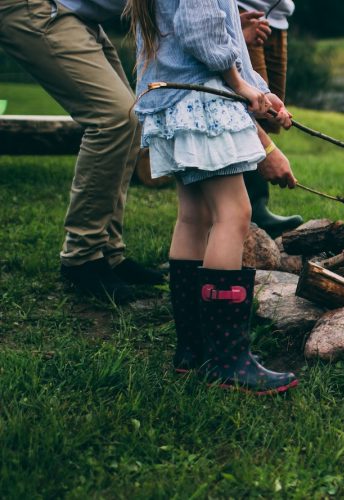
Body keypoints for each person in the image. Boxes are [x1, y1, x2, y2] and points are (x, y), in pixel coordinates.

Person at [128, 0, 299, 394]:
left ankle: (194, 351)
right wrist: (241, 88)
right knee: (233, 214)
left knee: (195, 217)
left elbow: (227, 38)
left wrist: (262, 93)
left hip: (177, 103)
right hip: (202, 102)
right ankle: (227, 360)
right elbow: (202, 31)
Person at [0, 0, 166, 304]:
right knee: (114, 118)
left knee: (130, 117)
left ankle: (108, 250)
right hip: (37, 5)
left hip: (76, 11)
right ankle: (83, 255)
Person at [237, 0, 304, 238]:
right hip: (243, 9)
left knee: (268, 111)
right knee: (247, 103)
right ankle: (250, 206)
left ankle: (255, 204)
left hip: (277, 15)